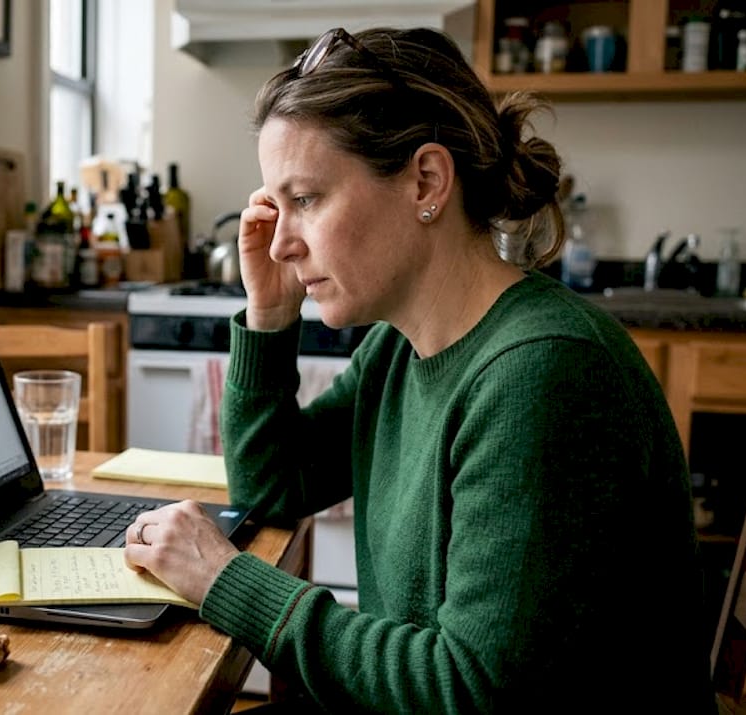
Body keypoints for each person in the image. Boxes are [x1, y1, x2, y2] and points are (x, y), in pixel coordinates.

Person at [123, 27, 713, 712]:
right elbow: (273, 484)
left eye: (307, 199)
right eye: (275, 205)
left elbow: (468, 688)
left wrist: (228, 581)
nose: (281, 242)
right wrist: (270, 315)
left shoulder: (542, 373)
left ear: (426, 181)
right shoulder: (402, 347)